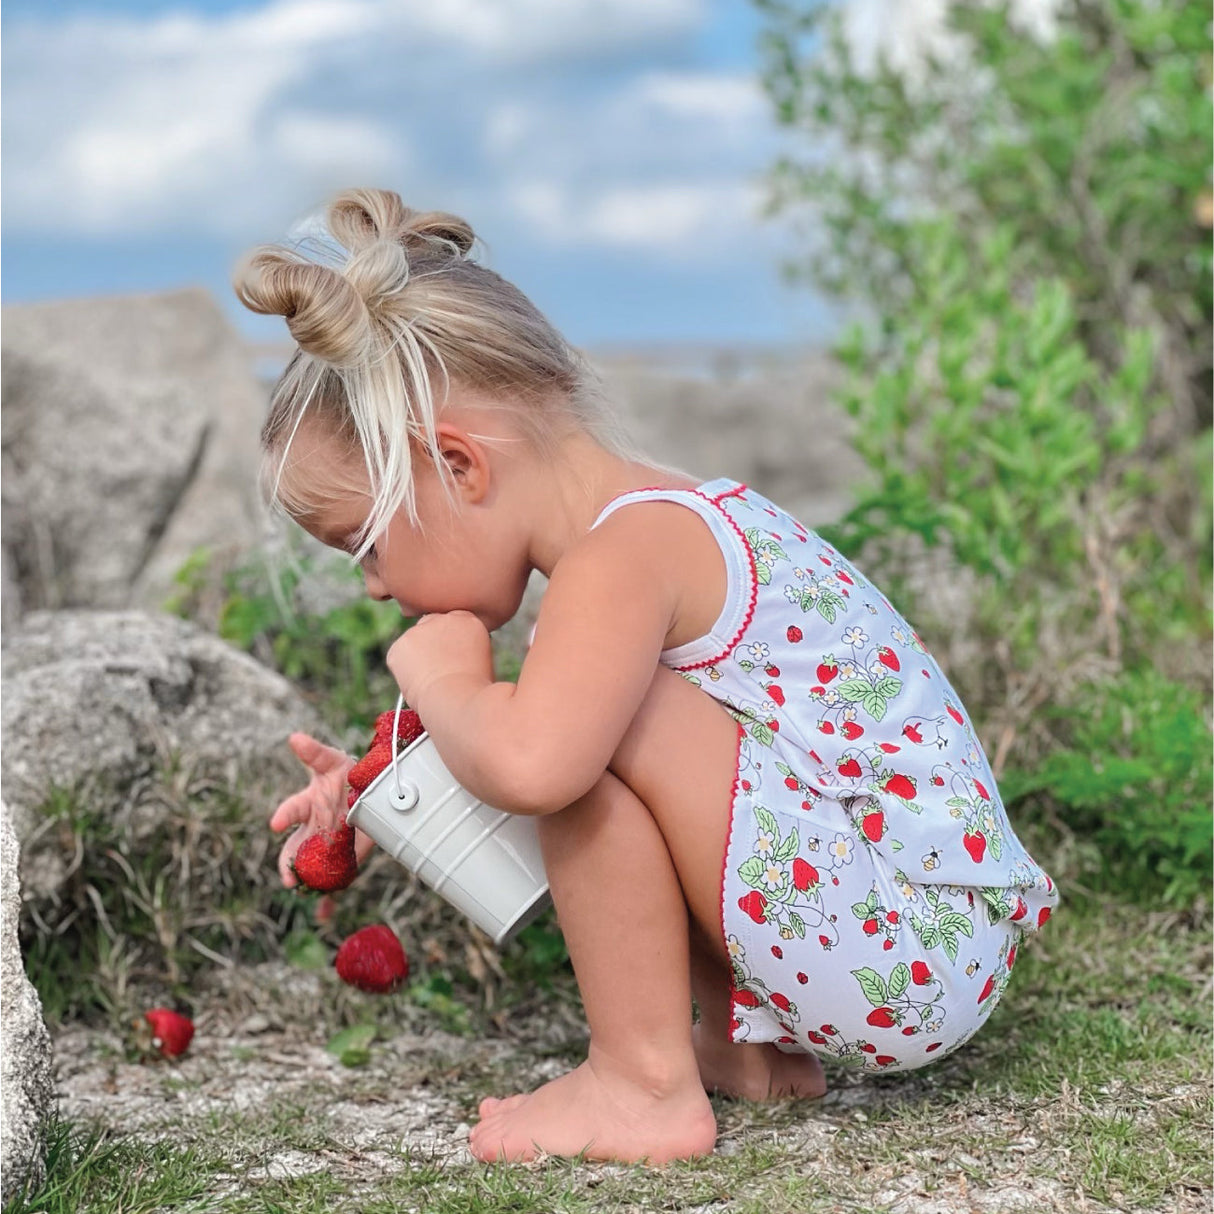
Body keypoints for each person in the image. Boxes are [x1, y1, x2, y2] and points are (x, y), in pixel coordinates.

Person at [241, 187, 1058, 1165]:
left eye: (364, 545)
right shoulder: (659, 517)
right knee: (571, 713)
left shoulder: (622, 559)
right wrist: (386, 782)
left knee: (572, 729)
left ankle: (641, 1083)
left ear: (456, 465)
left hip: (902, 938)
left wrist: (443, 687)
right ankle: (752, 1050)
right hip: (917, 937)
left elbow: (537, 763)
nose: (374, 588)